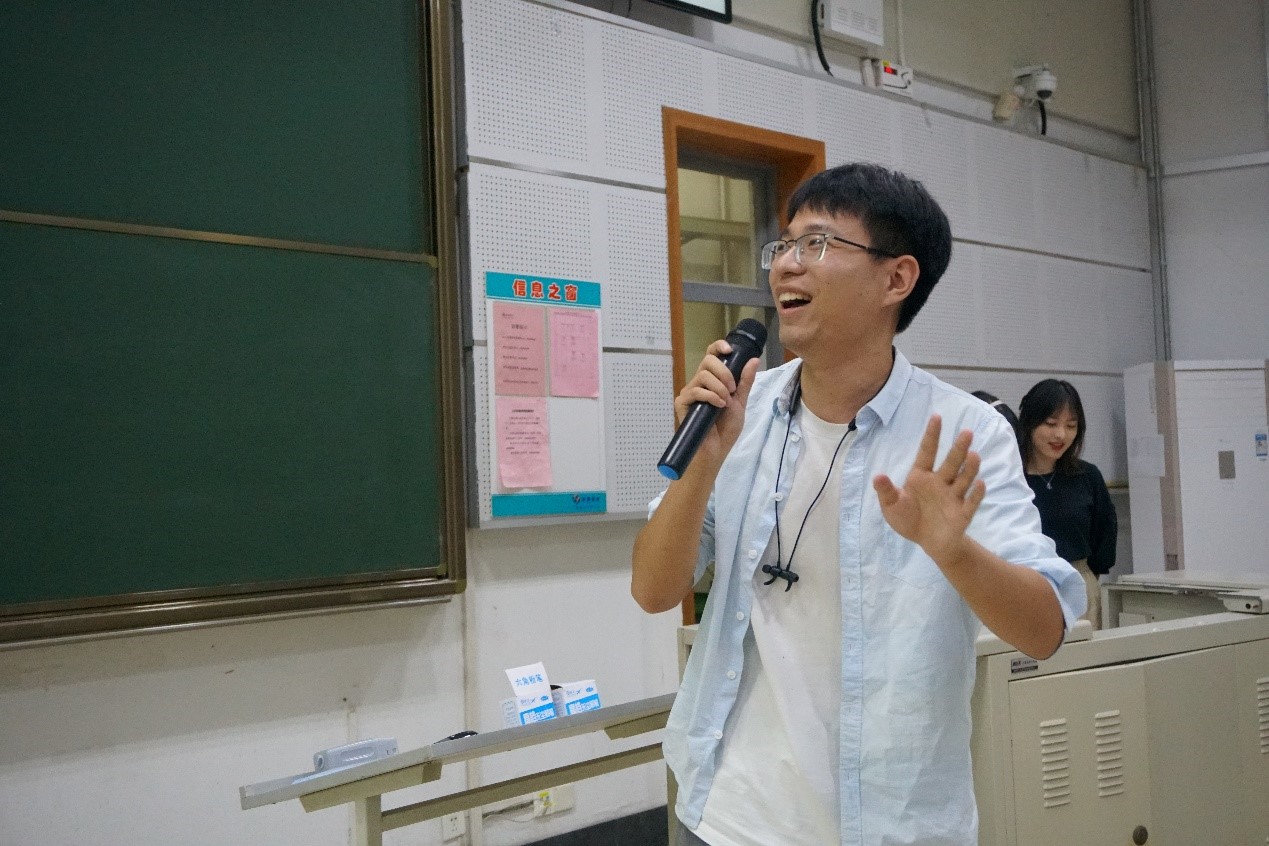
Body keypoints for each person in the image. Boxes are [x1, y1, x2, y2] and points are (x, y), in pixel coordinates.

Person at [631, 163, 1085, 846]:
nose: (785, 265)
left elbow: (1044, 632)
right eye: (784, 244)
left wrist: (954, 552)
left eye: (815, 243)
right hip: (728, 815)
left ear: (896, 279)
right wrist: (702, 463)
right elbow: (653, 590)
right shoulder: (743, 412)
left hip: (890, 825)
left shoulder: (965, 435)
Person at [1017, 379, 1118, 629]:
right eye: (1051, 424)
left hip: (1079, 584)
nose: (1061, 435)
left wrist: (1083, 576)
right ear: (1029, 423)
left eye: (1071, 426)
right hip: (1023, 585)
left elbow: (1104, 536)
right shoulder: (1011, 478)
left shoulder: (1087, 476)